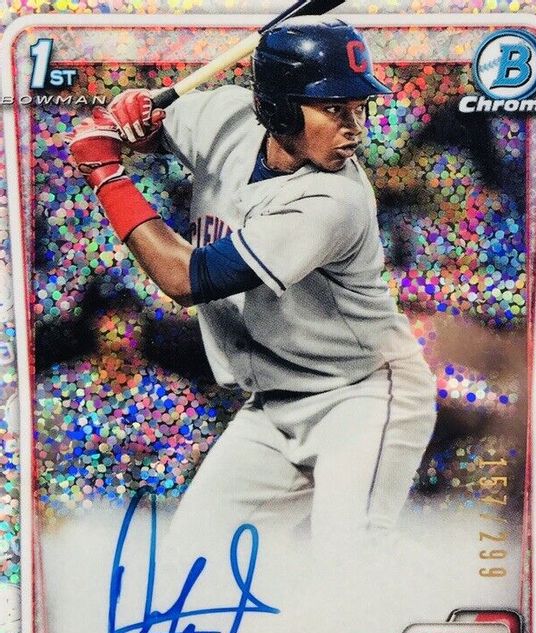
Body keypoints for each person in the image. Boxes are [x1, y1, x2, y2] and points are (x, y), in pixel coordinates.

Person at [68, 17, 436, 561]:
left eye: (359, 108)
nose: (354, 128)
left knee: (350, 559)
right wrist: (127, 119)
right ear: (279, 109)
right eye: (335, 108)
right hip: (274, 403)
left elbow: (184, 278)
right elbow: (140, 125)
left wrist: (106, 175)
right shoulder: (224, 115)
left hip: (362, 394)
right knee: (190, 563)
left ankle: (443, 601)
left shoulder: (335, 201)